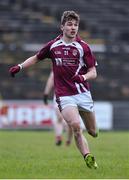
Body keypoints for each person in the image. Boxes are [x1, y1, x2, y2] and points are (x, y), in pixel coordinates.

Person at [9, 10, 98, 169]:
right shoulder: (53, 46)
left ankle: (91, 134)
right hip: (64, 95)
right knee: (76, 126)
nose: (73, 28)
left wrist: (83, 77)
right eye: (69, 24)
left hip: (83, 93)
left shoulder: (84, 47)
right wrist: (20, 66)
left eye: (76, 25)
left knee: (92, 131)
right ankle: (88, 157)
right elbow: (36, 58)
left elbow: (93, 72)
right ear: (62, 26)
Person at [43, 70, 73, 146]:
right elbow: (51, 79)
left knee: (66, 120)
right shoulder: (58, 65)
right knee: (61, 118)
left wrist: (46, 94)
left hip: (69, 96)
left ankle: (68, 139)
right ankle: (60, 137)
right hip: (63, 95)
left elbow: (51, 80)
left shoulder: (60, 64)